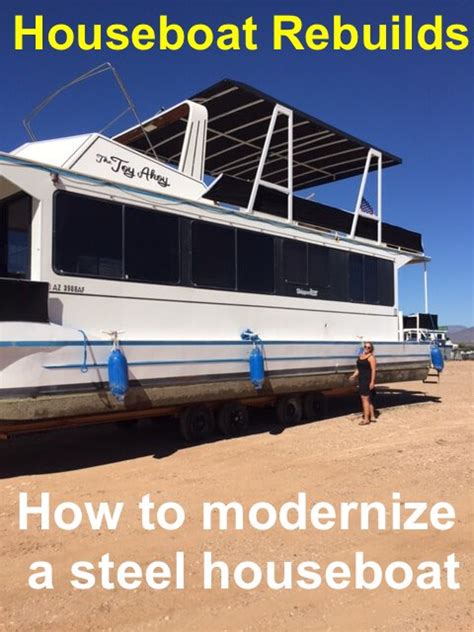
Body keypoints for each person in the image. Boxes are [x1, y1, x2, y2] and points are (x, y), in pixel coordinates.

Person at [349, 342, 377, 426]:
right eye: (365, 346)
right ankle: (372, 416)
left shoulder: (371, 357)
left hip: (367, 380)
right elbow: (359, 369)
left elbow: (373, 370)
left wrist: (372, 382)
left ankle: (366, 419)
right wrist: (353, 376)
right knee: (368, 399)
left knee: (364, 398)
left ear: (371, 349)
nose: (366, 348)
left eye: (368, 347)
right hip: (361, 379)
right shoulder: (361, 356)